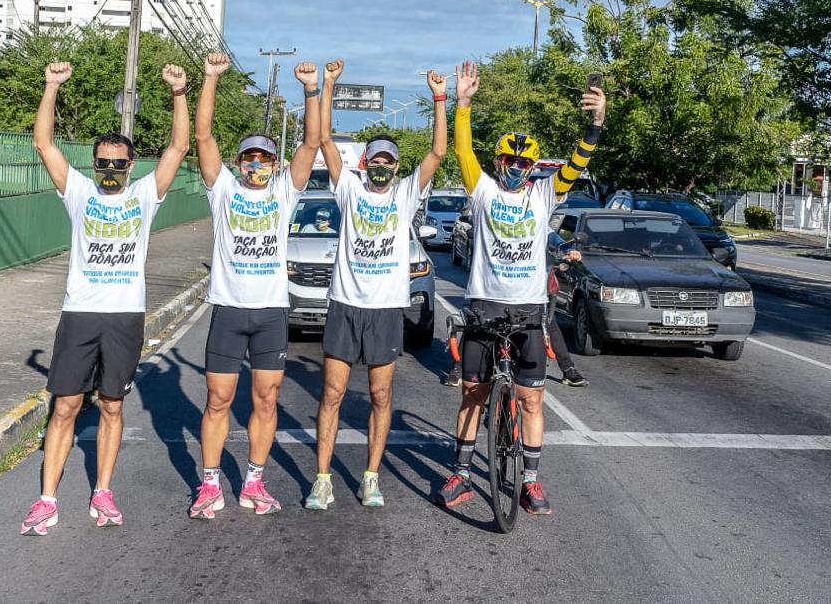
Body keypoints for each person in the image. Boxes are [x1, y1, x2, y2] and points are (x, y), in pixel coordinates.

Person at [20, 60, 190, 535]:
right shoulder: (77, 191)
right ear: (94, 164)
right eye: (104, 163)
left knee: (112, 404)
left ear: (130, 166)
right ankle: (47, 500)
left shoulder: (142, 195)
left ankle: (103, 492)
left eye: (119, 164)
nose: (111, 170)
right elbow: (43, 144)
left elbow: (178, 146)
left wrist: (179, 92)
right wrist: (50, 85)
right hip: (80, 313)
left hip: (124, 317)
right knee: (65, 407)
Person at [433, 61, 606, 514]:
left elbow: (576, 165)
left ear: (532, 168)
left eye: (524, 164)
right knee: (474, 393)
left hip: (528, 309)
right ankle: (462, 474)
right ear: (498, 163)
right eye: (509, 161)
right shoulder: (484, 190)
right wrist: (463, 105)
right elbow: (462, 152)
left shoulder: (544, 193)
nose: (516, 168)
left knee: (531, 398)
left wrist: (596, 124)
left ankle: (530, 481)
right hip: (485, 306)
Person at [305, 59, 448, 510]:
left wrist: (440, 98)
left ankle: (370, 476)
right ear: (366, 163)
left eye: (389, 161)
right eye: (376, 160)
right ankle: (323, 478)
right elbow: (325, 140)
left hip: (386, 310)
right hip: (346, 305)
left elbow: (438, 154)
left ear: (396, 166)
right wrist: (328, 85)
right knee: (331, 394)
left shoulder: (406, 194)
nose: (382, 167)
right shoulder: (349, 188)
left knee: (381, 395)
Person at [188, 52, 321, 519]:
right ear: (239, 162)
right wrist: (210, 79)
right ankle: (209, 484)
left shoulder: (284, 191)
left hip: (270, 313)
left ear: (273, 162)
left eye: (265, 157)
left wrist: (310, 90)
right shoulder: (223, 188)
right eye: (250, 157)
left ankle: (254, 481)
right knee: (218, 399)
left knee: (266, 400)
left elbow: (310, 143)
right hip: (228, 309)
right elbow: (202, 136)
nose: (257, 164)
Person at [545, 248, 588, 387]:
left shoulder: (538, 228)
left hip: (535, 287)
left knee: (549, 322)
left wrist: (569, 251)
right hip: (501, 286)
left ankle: (568, 368)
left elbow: (552, 237)